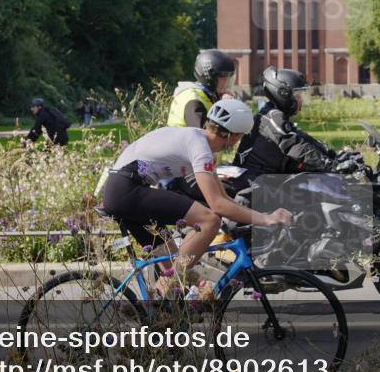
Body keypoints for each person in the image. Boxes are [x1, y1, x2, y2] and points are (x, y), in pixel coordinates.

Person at [99, 99, 291, 294]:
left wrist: (257, 216)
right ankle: (175, 284)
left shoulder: (196, 140)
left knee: (176, 262)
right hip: (127, 191)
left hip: (122, 190)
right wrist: (266, 220)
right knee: (209, 221)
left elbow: (224, 198)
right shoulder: (199, 147)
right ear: (233, 137)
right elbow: (218, 206)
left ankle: (159, 308)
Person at [233, 67, 360, 188]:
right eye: (298, 96)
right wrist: (332, 166)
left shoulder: (274, 114)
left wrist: (333, 155)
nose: (301, 100)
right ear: (283, 94)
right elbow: (296, 146)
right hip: (254, 184)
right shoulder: (272, 117)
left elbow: (301, 138)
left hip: (267, 179)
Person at [167, 49, 236, 128]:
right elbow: (206, 132)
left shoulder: (209, 95)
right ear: (210, 78)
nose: (227, 83)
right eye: (224, 78)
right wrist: (224, 107)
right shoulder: (191, 99)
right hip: (181, 140)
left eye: (229, 78)